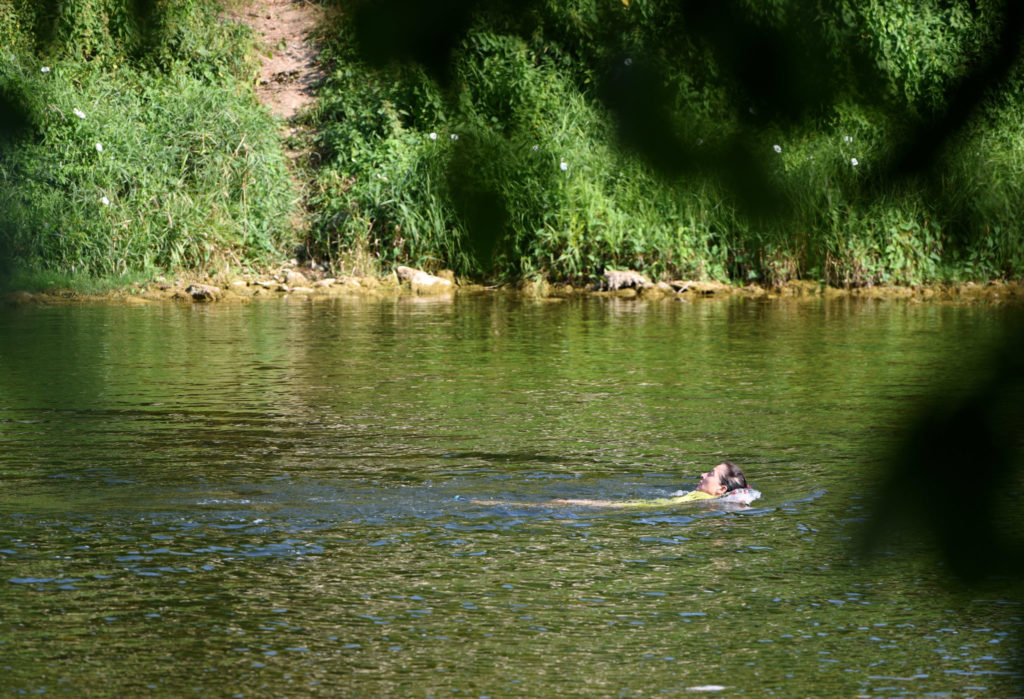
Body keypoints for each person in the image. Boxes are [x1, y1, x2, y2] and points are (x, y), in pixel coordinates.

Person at [547, 461, 752, 508]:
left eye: (710, 474)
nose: (703, 474)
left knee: (570, 502)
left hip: (647, 506)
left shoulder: (701, 499)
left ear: (721, 489)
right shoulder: (709, 501)